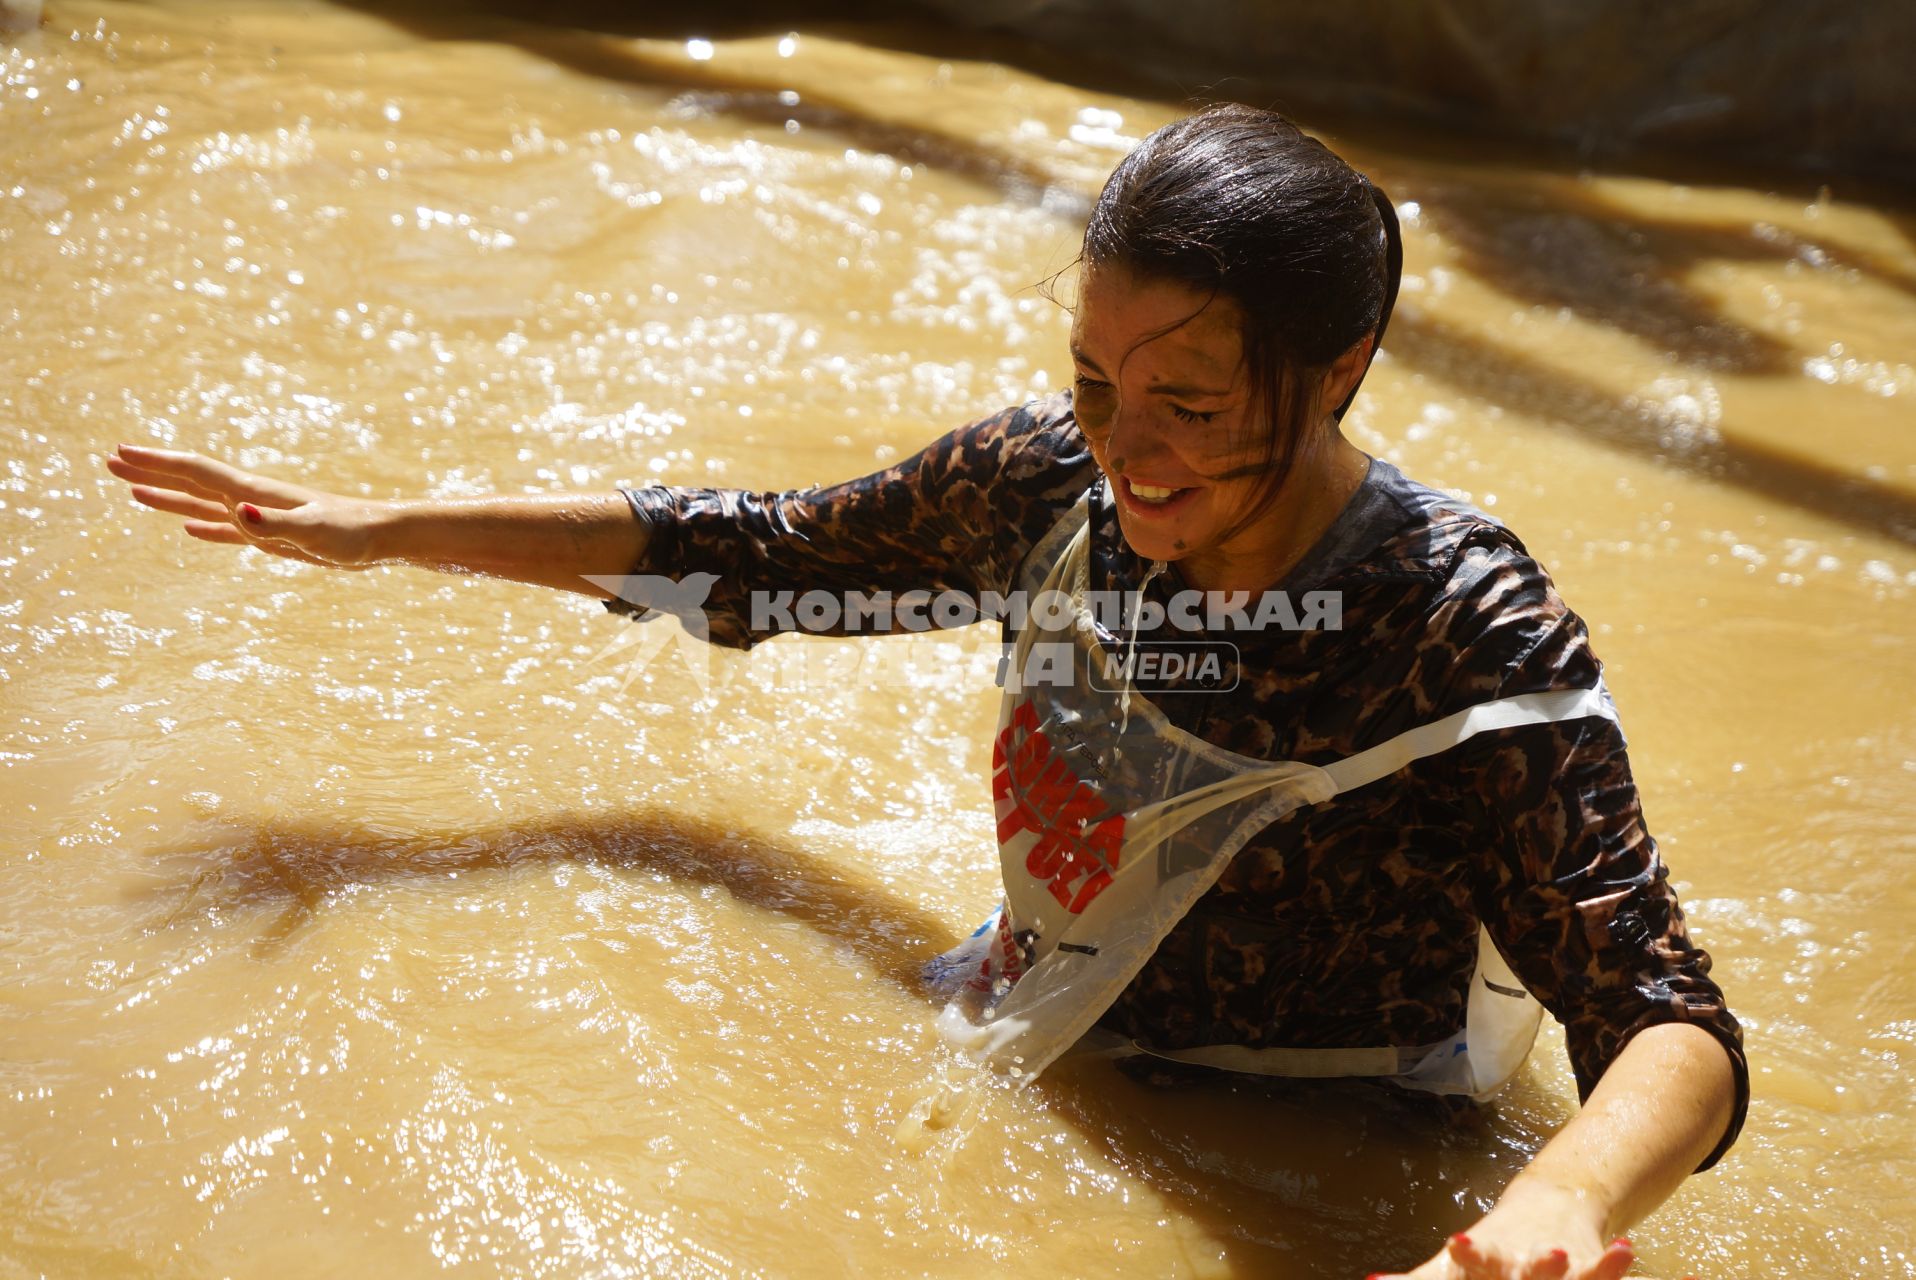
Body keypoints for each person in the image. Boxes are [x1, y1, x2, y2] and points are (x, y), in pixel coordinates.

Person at [105, 103, 1745, 1279]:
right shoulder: (1048, 485)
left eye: (1184, 399)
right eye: (1096, 384)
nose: (1126, 449)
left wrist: (1556, 1211)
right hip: (1030, 1031)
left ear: (1338, 375)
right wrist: (391, 531)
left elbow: (1662, 1015)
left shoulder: (1455, 623)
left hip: (1351, 1159)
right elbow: (755, 557)